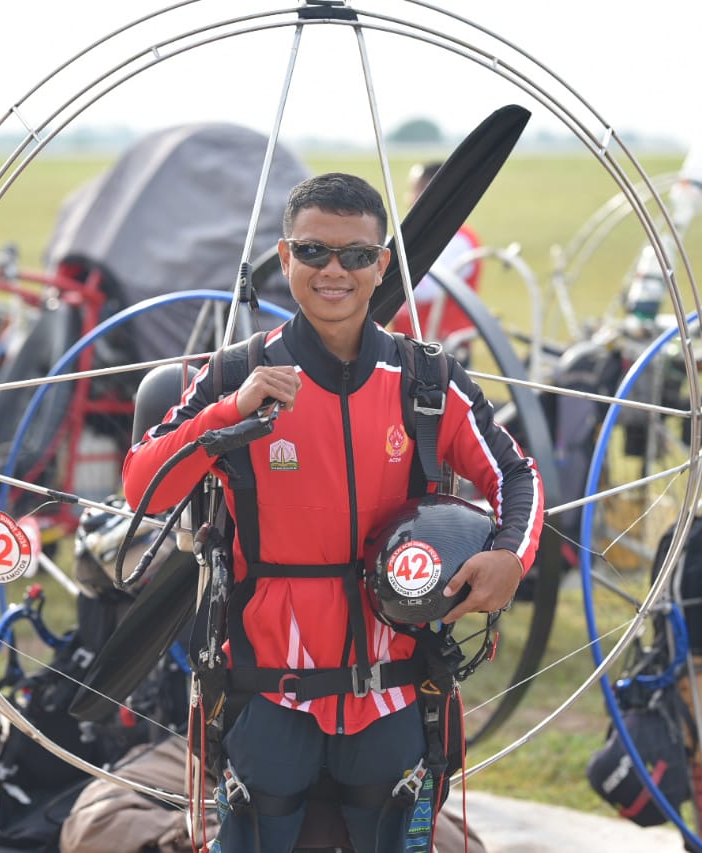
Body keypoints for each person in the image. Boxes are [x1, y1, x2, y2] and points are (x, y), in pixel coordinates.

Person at [122, 172, 543, 853]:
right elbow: (144, 486)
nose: (334, 271)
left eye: (355, 254)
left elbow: (515, 474)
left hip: (397, 691)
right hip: (266, 695)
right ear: (285, 259)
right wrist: (231, 413)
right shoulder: (236, 372)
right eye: (314, 252)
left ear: (382, 265)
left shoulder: (427, 380)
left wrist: (510, 556)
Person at [390, 161, 483, 343]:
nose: (409, 199)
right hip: (413, 343)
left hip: (442, 348)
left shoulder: (457, 240)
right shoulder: (426, 236)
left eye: (415, 190)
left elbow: (425, 289)